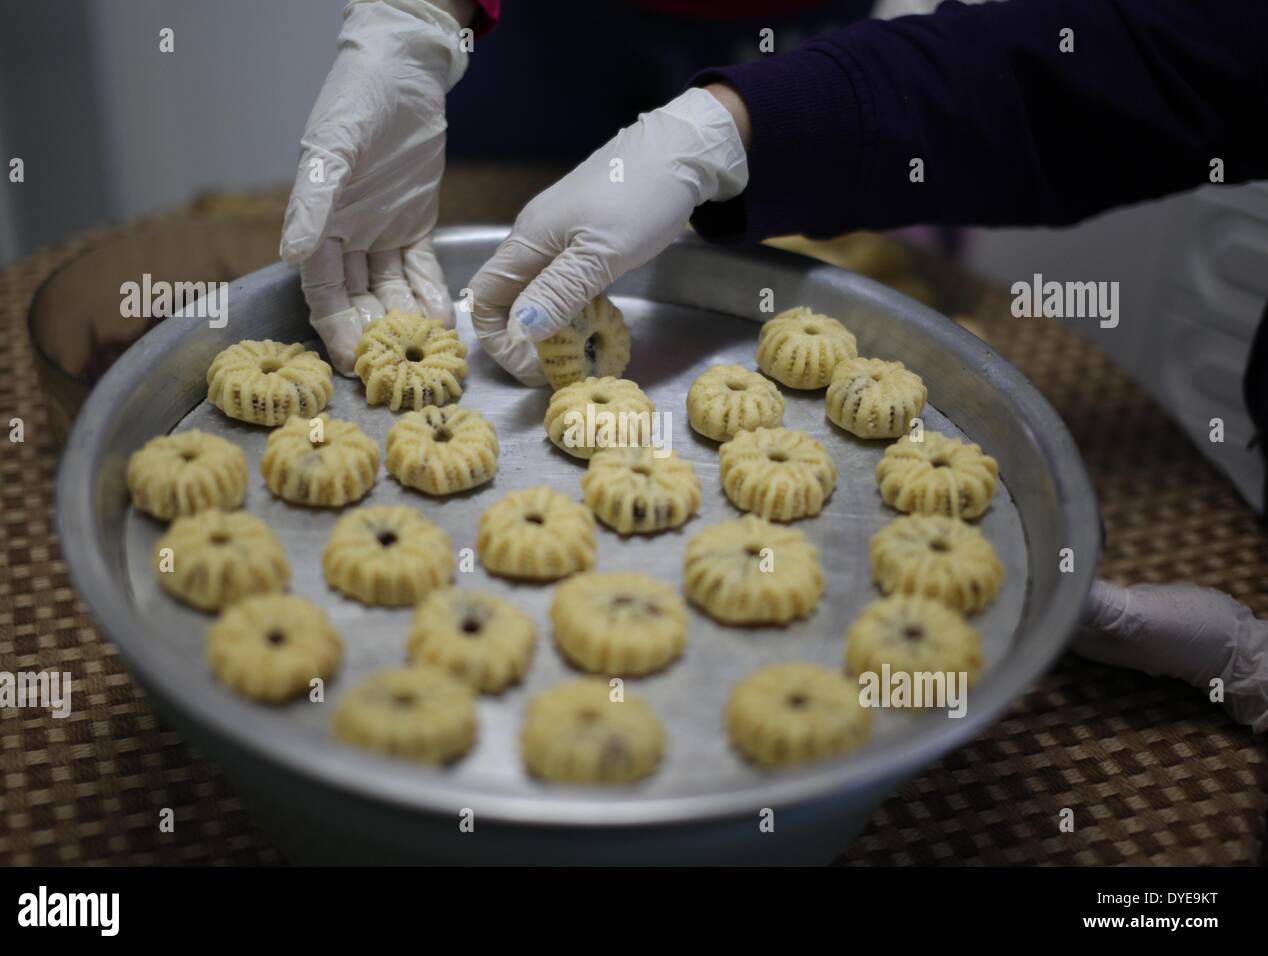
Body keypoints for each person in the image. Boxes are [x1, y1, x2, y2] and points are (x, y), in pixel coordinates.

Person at [279, 0, 1268, 732]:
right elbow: (1157, 48)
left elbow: (1120, 73)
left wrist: (737, 127)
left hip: (800, 22)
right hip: (551, 27)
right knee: (501, 198)